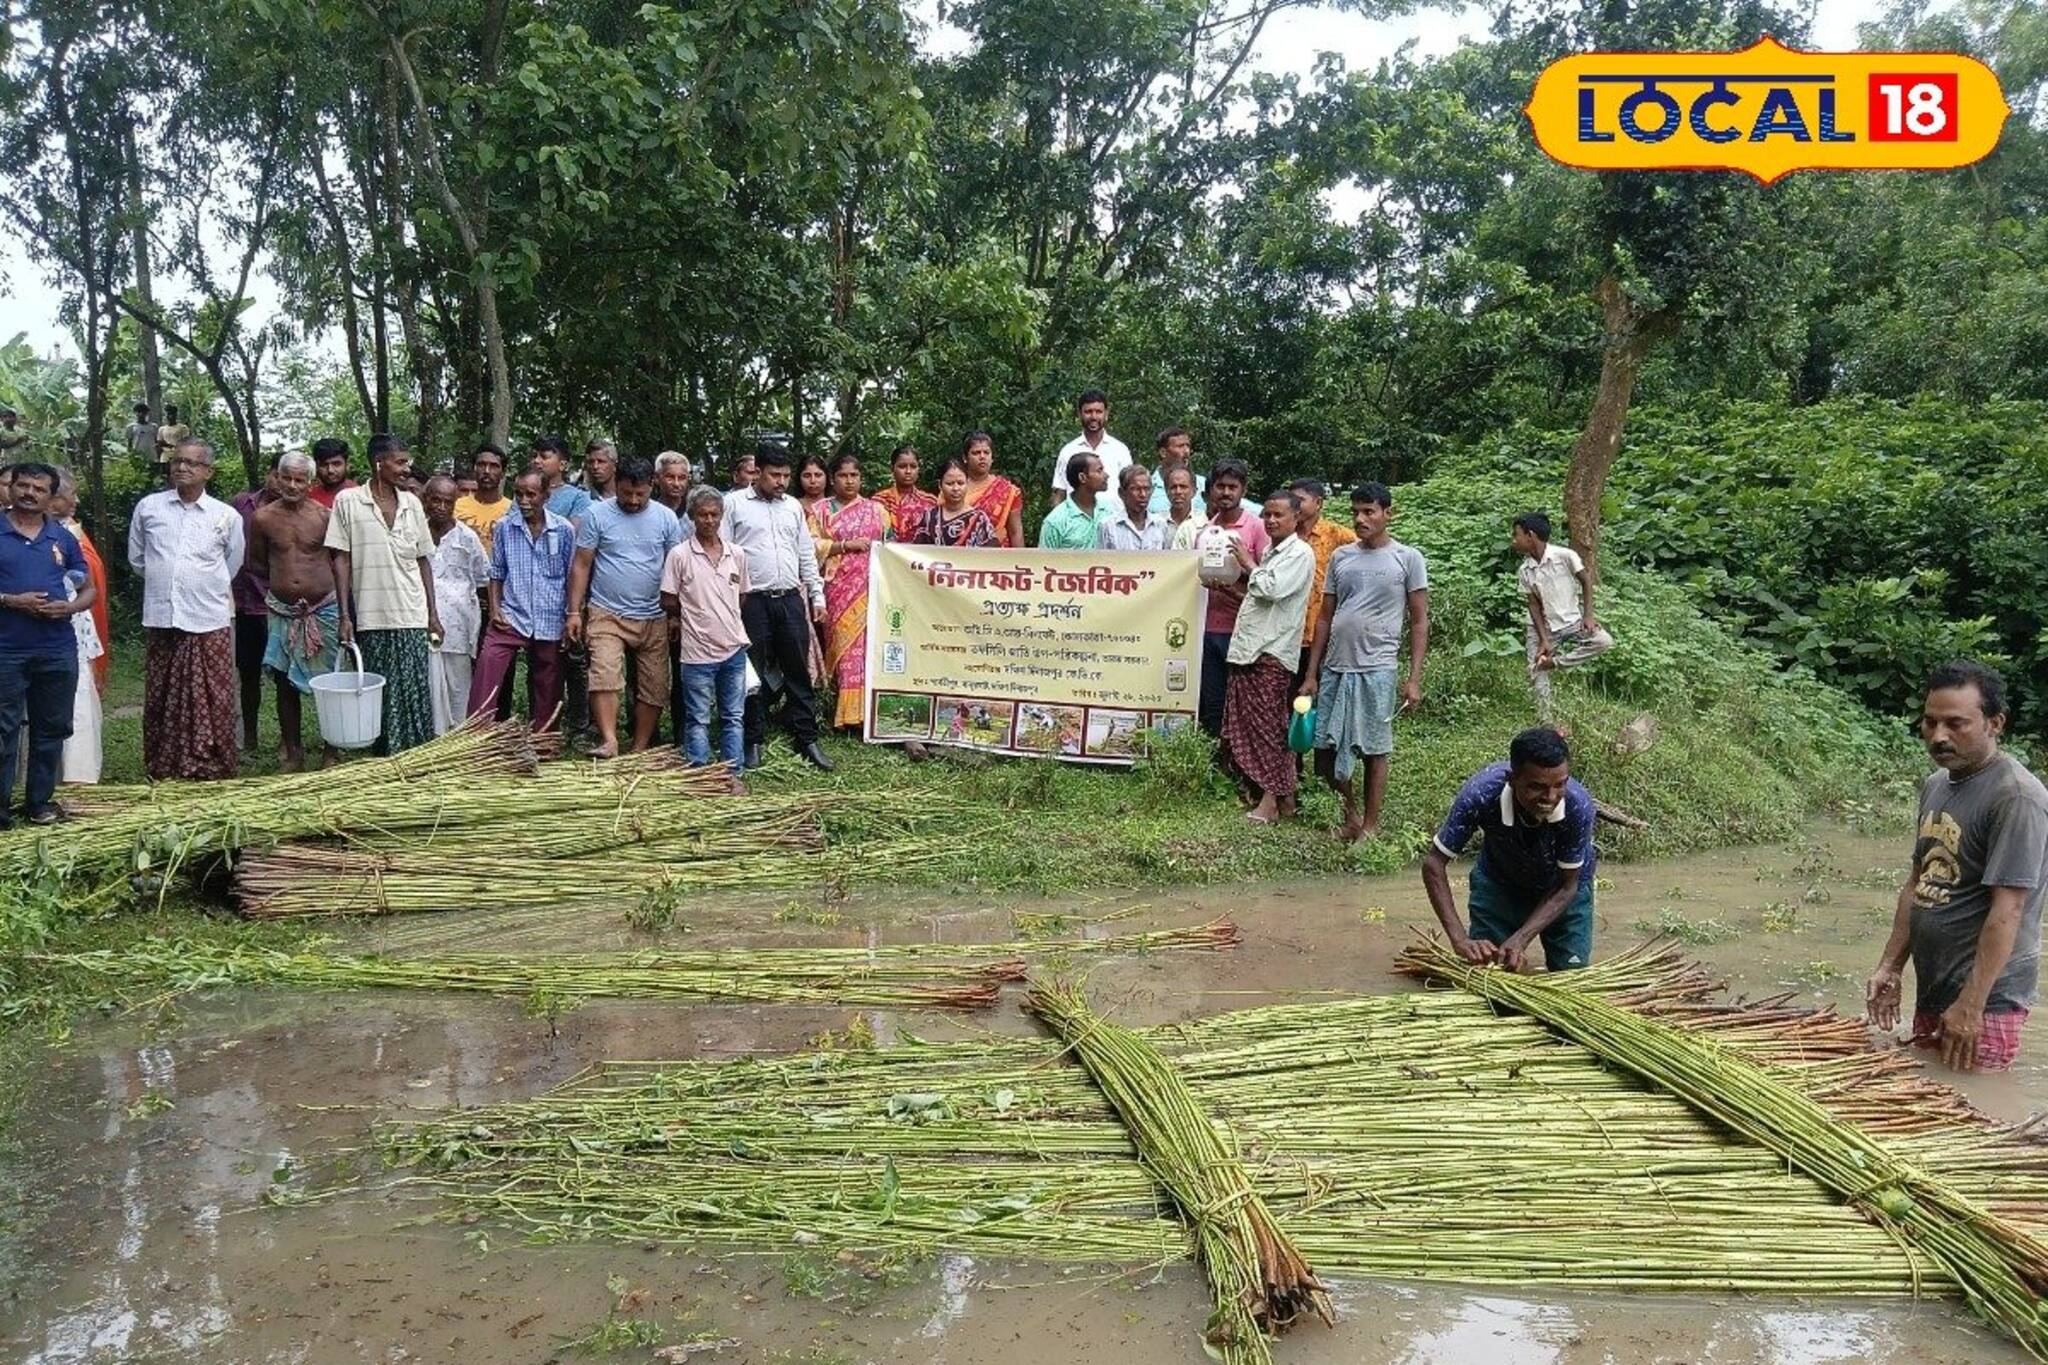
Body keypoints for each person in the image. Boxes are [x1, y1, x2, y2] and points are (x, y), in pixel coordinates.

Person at [1867, 661, 2048, 1073]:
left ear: (1994, 723)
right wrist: (1891, 966)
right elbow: (1919, 883)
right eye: (1930, 722)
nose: (1939, 736)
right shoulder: (1937, 784)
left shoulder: (2016, 798)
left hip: (1987, 1000)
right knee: (1926, 1102)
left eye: (1956, 724)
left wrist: (1971, 1004)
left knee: (1974, 1114)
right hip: (1937, 988)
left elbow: (2009, 911)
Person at [1298, 483, 1430, 841]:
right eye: (1356, 511)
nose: (1361, 519)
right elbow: (1324, 617)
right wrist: (1312, 672)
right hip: (1336, 666)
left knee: (1374, 747)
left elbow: (1419, 620)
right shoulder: (1342, 557)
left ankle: (1371, 826)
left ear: (1388, 513)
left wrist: (1414, 678)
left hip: (1378, 666)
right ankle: (1350, 815)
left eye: (1369, 511)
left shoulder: (1408, 558)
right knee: (1325, 746)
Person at [1423, 727, 1598, 973]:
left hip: (1563, 890)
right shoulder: (1481, 795)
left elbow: (1567, 886)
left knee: (1572, 977)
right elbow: (1433, 864)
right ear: (1512, 779)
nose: (1550, 797)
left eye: (1560, 784)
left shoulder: (1577, 807)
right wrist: (1460, 940)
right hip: (1499, 882)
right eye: (1537, 786)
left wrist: (1521, 938)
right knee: (1488, 972)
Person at [129, 439, 243, 780]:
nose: (181, 468)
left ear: (208, 472)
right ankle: (165, 766)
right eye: (177, 461)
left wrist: (196, 584)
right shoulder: (149, 508)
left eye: (192, 463)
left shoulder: (226, 516)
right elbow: (138, 560)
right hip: (163, 618)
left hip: (209, 618)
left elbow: (232, 564)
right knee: (164, 695)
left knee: (213, 695)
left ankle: (210, 764)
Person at [327, 433, 440, 754]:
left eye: (408, 462)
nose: (407, 469)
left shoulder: (412, 504)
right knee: (379, 687)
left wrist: (432, 614)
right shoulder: (348, 501)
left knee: (414, 689)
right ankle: (383, 754)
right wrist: (344, 615)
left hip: (412, 612)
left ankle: (416, 753)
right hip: (370, 614)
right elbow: (340, 558)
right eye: (401, 462)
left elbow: (422, 561)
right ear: (379, 464)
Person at [722, 443, 830, 771]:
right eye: (774, 475)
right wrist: (727, 603)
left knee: (797, 668)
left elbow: (805, 554)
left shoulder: (793, 508)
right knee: (752, 671)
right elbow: (724, 555)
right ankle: (752, 738)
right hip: (751, 600)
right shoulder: (733, 504)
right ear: (757, 472)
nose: (781, 482)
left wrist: (817, 595)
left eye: (785, 475)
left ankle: (806, 737)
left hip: (789, 598)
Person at [566, 456, 680, 756]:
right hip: (607, 612)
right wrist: (575, 611)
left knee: (654, 684)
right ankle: (610, 740)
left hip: (654, 614)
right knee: (604, 674)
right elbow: (581, 564)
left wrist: (674, 615)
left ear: (651, 487)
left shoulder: (667, 518)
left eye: (639, 494)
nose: (632, 500)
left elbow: (675, 568)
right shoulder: (596, 515)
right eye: (626, 493)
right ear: (616, 484)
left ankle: (640, 746)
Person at [0, 463, 93, 821]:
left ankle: (39, 803)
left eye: (38, 489)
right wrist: (11, 600)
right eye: (22, 485)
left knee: (52, 727)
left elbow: (88, 588)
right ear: (12, 489)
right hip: (6, 648)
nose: (28, 493)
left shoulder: (63, 538)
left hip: (55, 647)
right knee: (3, 730)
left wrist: (69, 607)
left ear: (50, 497)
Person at [1221, 491, 1314, 824]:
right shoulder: (1274, 552)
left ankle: (1270, 801)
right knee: (1251, 727)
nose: (1272, 521)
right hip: (1251, 650)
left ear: (1296, 518)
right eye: (1267, 515)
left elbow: (1272, 588)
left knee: (1270, 731)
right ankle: (1284, 801)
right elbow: (1263, 598)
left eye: (1279, 515)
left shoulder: (1299, 552)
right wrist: (1233, 590)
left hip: (1271, 652)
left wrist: (1247, 563)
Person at [248, 452, 339, 771]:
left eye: (300, 479)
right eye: (286, 477)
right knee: (284, 681)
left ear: (310, 483)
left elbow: (339, 561)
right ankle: (294, 750)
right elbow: (256, 563)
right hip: (283, 611)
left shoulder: (325, 516)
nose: (292, 484)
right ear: (276, 477)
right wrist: (286, 587)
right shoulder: (263, 518)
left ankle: (332, 750)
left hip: (324, 609)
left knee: (331, 682)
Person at [662, 485, 751, 785]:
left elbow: (742, 596)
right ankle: (700, 773)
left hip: (734, 649)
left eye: (714, 514)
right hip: (696, 652)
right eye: (702, 515)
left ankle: (732, 774)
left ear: (722, 516)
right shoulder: (679, 555)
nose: (709, 520)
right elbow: (668, 598)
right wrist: (688, 616)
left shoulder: (736, 554)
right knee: (697, 718)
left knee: (733, 716)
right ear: (691, 517)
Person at [469, 470, 572, 729]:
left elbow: (573, 575)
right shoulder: (505, 527)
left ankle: (544, 741)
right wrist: (495, 610)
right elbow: (497, 572)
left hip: (550, 616)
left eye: (531, 494)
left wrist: (572, 614)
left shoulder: (564, 529)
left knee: (548, 683)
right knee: (488, 665)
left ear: (546, 496)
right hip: (512, 614)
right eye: (518, 494)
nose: (524, 500)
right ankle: (476, 735)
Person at [1180, 459, 1269, 736]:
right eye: (1220, 486)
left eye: (1233, 487)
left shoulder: (1258, 528)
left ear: (1243, 489)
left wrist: (1238, 572)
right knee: (1213, 703)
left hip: (1243, 631)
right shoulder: (1204, 532)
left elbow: (1267, 580)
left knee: (1243, 703)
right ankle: (1216, 768)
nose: (1226, 493)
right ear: (1211, 491)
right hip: (1207, 629)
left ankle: (1240, 767)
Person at [809, 452, 888, 732]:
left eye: (854, 475)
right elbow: (810, 547)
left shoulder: (876, 510)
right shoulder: (819, 510)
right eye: (843, 475)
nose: (849, 481)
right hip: (836, 588)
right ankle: (842, 713)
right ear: (833, 479)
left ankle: (866, 713)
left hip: (870, 588)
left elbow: (889, 546)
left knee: (867, 650)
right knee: (843, 649)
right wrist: (844, 546)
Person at [1512, 511, 1614, 720]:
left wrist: (1588, 616)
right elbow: (1533, 605)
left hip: (1572, 621)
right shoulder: (1525, 570)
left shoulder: (1565, 556)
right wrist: (1543, 639)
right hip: (1543, 627)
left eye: (1517, 535)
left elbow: (1585, 581)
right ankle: (1545, 719)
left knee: (1603, 641)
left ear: (1530, 536)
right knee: (1536, 671)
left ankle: (1557, 663)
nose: (1514, 541)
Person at [44, 471, 103, 788]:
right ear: (52, 501)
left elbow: (87, 581)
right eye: (72, 494)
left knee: (78, 697)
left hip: (72, 627)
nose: (76, 500)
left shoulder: (69, 535)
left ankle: (78, 775)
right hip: (33, 632)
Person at [421, 475, 491, 737]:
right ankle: (430, 738)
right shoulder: (416, 533)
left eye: (446, 502)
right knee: (428, 683)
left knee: (458, 684)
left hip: (459, 626)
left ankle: (458, 736)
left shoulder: (467, 538)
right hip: (421, 621)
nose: (440, 506)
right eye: (435, 500)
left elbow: (484, 579)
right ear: (425, 500)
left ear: (455, 504)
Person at [231, 457, 283, 750]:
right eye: (277, 475)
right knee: (247, 672)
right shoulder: (242, 504)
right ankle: (249, 736)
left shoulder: (292, 512)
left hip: (274, 603)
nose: (281, 483)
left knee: (281, 674)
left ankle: (287, 738)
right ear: (269, 474)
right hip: (242, 601)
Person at [1290, 478, 1356, 682]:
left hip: (1322, 628)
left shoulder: (1336, 534)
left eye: (1299, 500)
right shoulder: (1286, 534)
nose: (1294, 505)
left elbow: (1366, 550)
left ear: (1318, 503)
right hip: (1288, 629)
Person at [1048, 389, 1130, 508]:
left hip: (1115, 522)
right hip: (1076, 523)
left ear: (1106, 413)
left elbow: (1129, 490)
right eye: (1088, 412)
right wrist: (1056, 522)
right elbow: (1059, 493)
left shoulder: (1120, 450)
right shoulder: (1068, 451)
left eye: (1098, 412)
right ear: (1079, 413)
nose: (1093, 417)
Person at [910, 457, 1000, 547]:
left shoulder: (979, 520)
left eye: (960, 483)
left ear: (967, 484)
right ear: (940, 485)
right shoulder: (929, 518)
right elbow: (918, 553)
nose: (956, 489)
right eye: (949, 483)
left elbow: (992, 554)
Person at [961, 432, 1025, 549]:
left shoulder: (1007, 491)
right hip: (961, 556)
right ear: (965, 458)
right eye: (976, 453)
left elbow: (1016, 533)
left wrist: (1020, 562)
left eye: (986, 452)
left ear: (992, 458)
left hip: (998, 558)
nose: (982, 457)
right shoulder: (955, 487)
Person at [1039, 452, 1110, 549]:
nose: (1106, 475)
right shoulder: (1055, 521)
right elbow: (1044, 560)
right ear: (1082, 477)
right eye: (1099, 471)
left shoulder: (1109, 512)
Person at [875, 444, 938, 543]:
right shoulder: (880, 500)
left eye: (913, 467)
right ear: (892, 469)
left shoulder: (930, 501)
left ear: (918, 469)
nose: (908, 471)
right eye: (902, 466)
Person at [1097, 466, 1170, 551]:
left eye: (1147, 489)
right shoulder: (1107, 526)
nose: (1143, 494)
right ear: (1121, 493)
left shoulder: (1161, 525)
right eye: (1135, 489)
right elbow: (1101, 560)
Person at [454, 443, 513, 542]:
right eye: (481, 465)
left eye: (494, 466)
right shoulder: (456, 507)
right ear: (474, 470)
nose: (487, 471)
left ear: (503, 473)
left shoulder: (512, 511)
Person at [531, 435, 592, 527]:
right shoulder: (524, 491)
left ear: (562, 465)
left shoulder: (577, 497)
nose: (536, 460)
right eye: (534, 456)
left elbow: (571, 533)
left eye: (544, 457)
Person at [1150, 426, 1205, 520]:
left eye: (1188, 446)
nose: (1187, 451)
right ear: (1163, 452)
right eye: (1180, 446)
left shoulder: (1203, 484)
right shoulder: (1147, 487)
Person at [308, 436, 356, 509]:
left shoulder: (360, 495)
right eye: (324, 465)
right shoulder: (309, 499)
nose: (330, 470)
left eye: (336, 464)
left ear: (347, 465)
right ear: (316, 466)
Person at [1164, 465, 1206, 542]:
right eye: (1173, 487)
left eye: (1183, 487)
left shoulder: (1203, 523)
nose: (1178, 492)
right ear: (1167, 491)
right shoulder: (1158, 523)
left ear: (1194, 491)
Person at [151, 404, 189, 477]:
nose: (170, 416)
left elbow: (186, 442)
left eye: (172, 414)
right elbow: (160, 442)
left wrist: (169, 445)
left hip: (178, 454)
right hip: (165, 455)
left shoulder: (182, 428)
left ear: (176, 415)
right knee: (165, 475)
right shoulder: (162, 429)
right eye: (168, 414)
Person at [653, 450, 694, 515]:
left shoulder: (695, 512)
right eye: (670, 477)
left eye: (682, 478)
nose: (676, 484)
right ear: (657, 478)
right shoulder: (648, 511)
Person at [796, 454, 830, 522]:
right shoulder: (793, 506)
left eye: (818, 475)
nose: (813, 480)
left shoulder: (836, 507)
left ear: (827, 477)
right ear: (799, 478)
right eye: (807, 476)